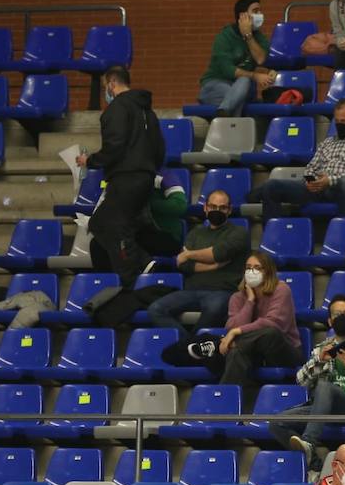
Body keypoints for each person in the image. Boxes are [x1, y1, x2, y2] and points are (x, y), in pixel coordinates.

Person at [78, 66, 163, 286]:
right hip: (145, 178)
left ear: (112, 83)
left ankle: (134, 271)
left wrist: (91, 161)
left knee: (104, 224)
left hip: (125, 178)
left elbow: (114, 146)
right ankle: (139, 265)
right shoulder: (148, 112)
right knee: (110, 225)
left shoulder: (117, 108)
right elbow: (159, 148)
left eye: (107, 85)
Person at [273, 295, 345, 461]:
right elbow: (301, 380)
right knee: (277, 423)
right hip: (322, 410)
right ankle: (314, 463)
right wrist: (319, 361)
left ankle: (309, 441)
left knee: (325, 386)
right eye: (337, 314)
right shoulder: (321, 349)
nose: (341, 318)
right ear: (329, 321)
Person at [250, 100, 345, 219]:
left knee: (344, 182)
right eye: (337, 122)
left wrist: (331, 180)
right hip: (320, 188)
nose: (340, 125)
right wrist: (311, 181)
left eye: (344, 122)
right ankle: (273, 235)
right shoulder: (327, 142)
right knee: (271, 186)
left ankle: (343, 234)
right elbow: (311, 167)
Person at [146, 190, 251, 332]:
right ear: (205, 208)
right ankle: (189, 345)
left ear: (229, 210)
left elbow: (217, 254)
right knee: (155, 309)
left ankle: (192, 347)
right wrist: (214, 266)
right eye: (213, 207)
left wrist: (189, 255)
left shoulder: (239, 233)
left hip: (223, 291)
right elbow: (184, 266)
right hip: (191, 290)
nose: (217, 211)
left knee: (215, 309)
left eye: (222, 208)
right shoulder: (195, 233)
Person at [205, 251, 303, 385]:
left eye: (257, 268)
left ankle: (225, 346)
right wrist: (250, 301)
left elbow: (274, 323)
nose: (252, 271)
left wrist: (236, 333)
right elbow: (232, 326)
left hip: (283, 350)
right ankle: (226, 401)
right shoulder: (237, 297)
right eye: (248, 267)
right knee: (235, 353)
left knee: (270, 332)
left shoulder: (281, 289)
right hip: (253, 351)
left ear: (268, 271)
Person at [198, 0, 272, 117]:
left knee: (243, 84)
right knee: (238, 97)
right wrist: (255, 75)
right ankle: (228, 116)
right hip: (215, 86)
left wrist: (248, 36)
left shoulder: (258, 37)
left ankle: (224, 112)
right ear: (242, 16)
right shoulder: (224, 37)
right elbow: (228, 70)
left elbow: (260, 59)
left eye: (260, 11)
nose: (260, 15)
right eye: (255, 11)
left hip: (243, 86)